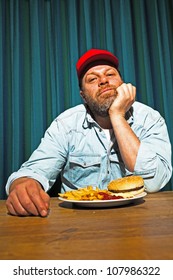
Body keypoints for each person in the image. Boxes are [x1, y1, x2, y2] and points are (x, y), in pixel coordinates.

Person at [5, 49, 172, 217]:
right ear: (83, 96)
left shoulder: (149, 118)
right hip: (78, 223)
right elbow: (34, 171)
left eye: (110, 74)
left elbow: (154, 182)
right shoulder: (66, 124)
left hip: (139, 218)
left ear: (123, 84)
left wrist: (117, 115)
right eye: (92, 78)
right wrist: (23, 184)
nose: (104, 81)